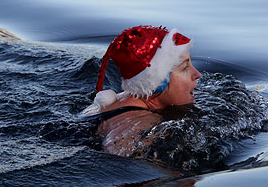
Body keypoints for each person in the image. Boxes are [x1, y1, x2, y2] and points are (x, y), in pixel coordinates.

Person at [82, 25, 201, 157]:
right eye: (185, 67)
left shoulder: (118, 101)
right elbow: (119, 156)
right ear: (159, 82)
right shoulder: (140, 120)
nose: (197, 74)